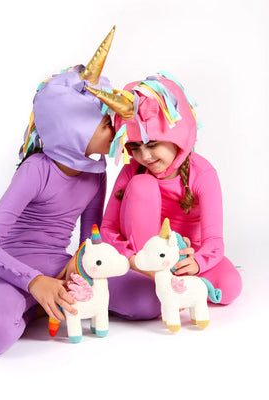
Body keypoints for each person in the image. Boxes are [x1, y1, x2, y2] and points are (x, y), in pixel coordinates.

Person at [0, 27, 117, 354]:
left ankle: (37, 306)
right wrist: (35, 282)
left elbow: (90, 238)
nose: (115, 128)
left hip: (61, 267)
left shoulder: (97, 173)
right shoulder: (36, 169)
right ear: (74, 129)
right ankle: (30, 301)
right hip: (14, 267)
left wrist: (80, 261)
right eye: (106, 122)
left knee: (145, 299)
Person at [88, 71, 242, 320]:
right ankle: (149, 281)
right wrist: (133, 259)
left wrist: (197, 262)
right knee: (142, 185)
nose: (145, 157)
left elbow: (214, 241)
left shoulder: (203, 174)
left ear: (177, 137)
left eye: (152, 145)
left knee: (230, 286)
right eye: (135, 148)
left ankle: (175, 284)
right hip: (143, 258)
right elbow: (107, 229)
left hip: (182, 254)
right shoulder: (132, 171)